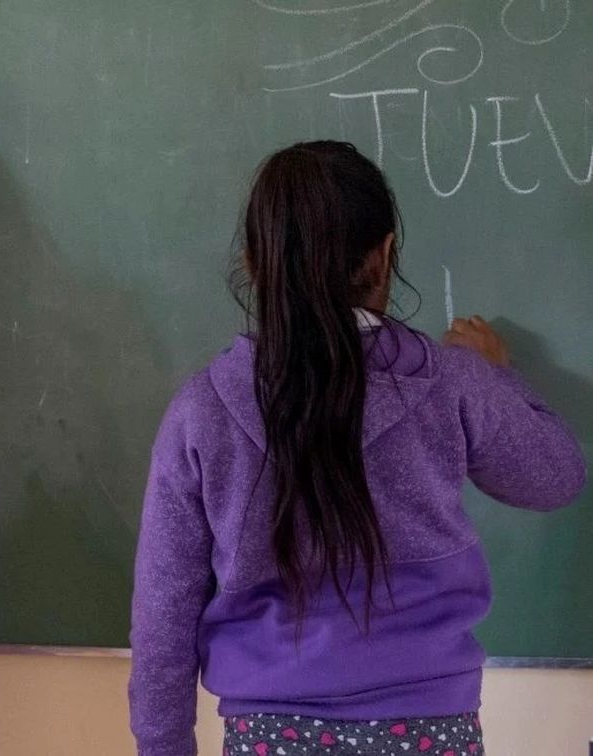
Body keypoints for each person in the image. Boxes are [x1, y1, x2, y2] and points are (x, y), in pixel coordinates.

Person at [128, 140, 587, 755]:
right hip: (430, 728)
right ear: (386, 253)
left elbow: (164, 618)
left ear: (254, 264)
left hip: (271, 733)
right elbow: (555, 476)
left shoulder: (201, 411)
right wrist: (495, 373)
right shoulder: (451, 380)